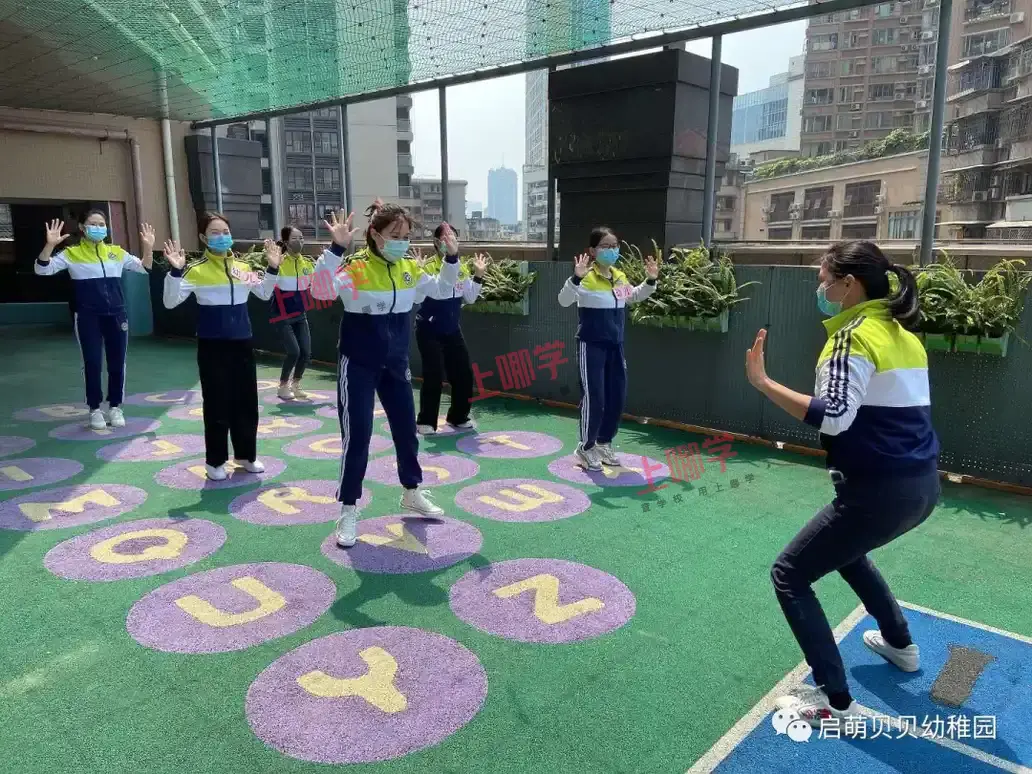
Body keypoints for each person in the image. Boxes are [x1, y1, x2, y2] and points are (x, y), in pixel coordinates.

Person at [745, 240, 940, 725]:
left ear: (848, 284)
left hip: (877, 493)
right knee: (848, 553)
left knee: (789, 574)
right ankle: (900, 644)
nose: (820, 288)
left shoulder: (852, 337)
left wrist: (764, 384)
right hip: (922, 487)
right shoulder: (903, 334)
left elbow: (834, 416)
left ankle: (834, 701)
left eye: (823, 279)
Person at [311, 203, 463, 548]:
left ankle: (411, 491)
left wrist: (451, 258)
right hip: (358, 364)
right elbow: (321, 291)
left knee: (406, 431)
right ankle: (348, 508)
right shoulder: (356, 267)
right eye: (395, 235)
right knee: (358, 436)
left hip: (395, 364)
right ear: (375, 235)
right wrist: (335, 249)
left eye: (406, 236)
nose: (402, 242)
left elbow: (442, 290)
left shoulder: (409, 267)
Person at [161, 213, 282, 481]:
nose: (222, 236)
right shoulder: (196, 269)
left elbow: (264, 293)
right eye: (214, 232)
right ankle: (215, 461)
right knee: (217, 402)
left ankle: (246, 455)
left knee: (246, 401)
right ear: (203, 238)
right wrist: (175, 272)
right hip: (212, 345)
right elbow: (170, 302)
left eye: (225, 231)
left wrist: (273, 269)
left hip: (242, 343)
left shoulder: (242, 267)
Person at [36, 211, 155, 430]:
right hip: (88, 317)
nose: (98, 228)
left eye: (102, 224)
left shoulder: (116, 252)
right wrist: (50, 246)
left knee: (117, 363)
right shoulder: (72, 253)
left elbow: (145, 267)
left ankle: (115, 406)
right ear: (82, 227)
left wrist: (148, 247)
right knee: (92, 363)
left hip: (117, 315)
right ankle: (95, 409)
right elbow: (42, 269)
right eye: (93, 224)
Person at [558, 227, 659, 471]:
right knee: (595, 397)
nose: (612, 250)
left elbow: (633, 296)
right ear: (592, 251)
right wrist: (576, 278)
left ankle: (603, 443)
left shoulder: (619, 276)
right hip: (591, 345)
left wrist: (650, 280)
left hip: (615, 346)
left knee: (616, 396)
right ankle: (586, 447)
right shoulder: (586, 277)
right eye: (605, 246)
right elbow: (563, 300)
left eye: (615, 246)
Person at [413, 224, 489, 435]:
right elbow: (423, 297)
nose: (450, 242)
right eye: (446, 239)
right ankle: (426, 421)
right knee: (434, 374)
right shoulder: (428, 266)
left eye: (454, 238)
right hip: (429, 328)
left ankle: (458, 416)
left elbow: (470, 297)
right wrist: (419, 271)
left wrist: (478, 276)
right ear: (437, 243)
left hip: (452, 329)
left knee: (464, 374)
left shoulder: (461, 268)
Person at [271, 226, 314, 401]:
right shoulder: (279, 262)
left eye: (301, 238)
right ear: (286, 242)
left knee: (306, 352)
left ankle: (295, 384)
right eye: (295, 238)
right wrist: (273, 265)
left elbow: (316, 283)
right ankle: (283, 386)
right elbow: (267, 284)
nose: (300, 242)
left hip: (300, 314)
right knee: (294, 352)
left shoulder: (307, 263)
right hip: (282, 315)